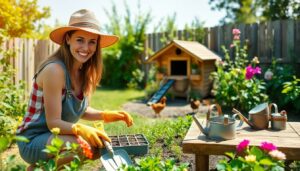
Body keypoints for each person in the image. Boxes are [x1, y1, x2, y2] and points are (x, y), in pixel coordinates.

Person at [16, 9, 133, 170]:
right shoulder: (55, 70)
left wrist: (106, 115)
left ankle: (42, 168)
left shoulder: (82, 71)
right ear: (68, 39)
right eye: (80, 40)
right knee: (84, 146)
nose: (86, 47)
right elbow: (53, 123)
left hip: (54, 137)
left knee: (96, 147)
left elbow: (80, 110)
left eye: (92, 41)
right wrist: (80, 129)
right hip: (32, 140)